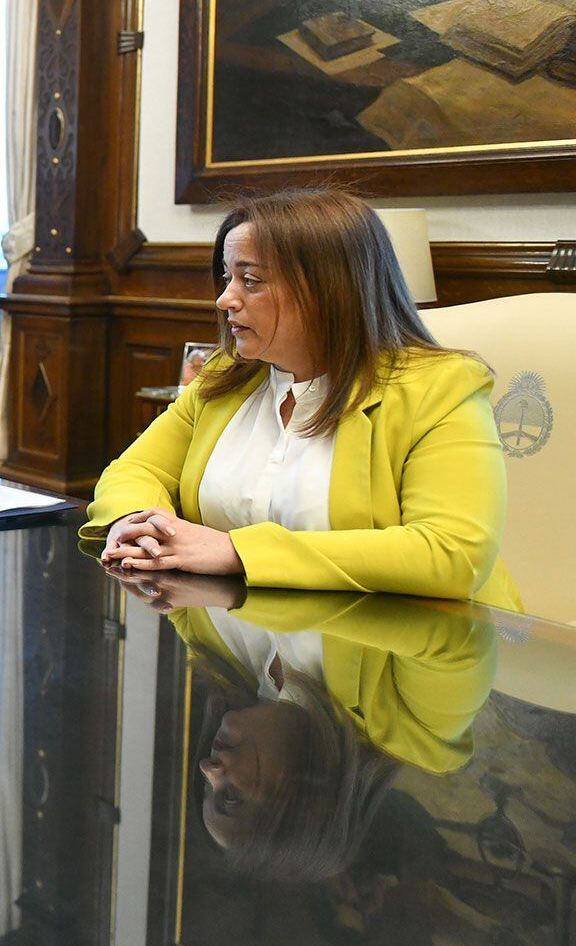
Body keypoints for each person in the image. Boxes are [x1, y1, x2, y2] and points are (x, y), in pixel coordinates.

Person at [82, 188, 517, 609]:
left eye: (249, 281)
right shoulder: (224, 378)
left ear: (328, 290)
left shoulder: (442, 388)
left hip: (407, 653)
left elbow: (451, 554)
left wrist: (236, 552)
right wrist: (137, 522)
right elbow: (134, 469)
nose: (224, 299)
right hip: (238, 648)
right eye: (226, 277)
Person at [107, 564, 496, 882]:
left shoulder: (216, 655)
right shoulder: (418, 730)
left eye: (208, 791)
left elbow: (135, 505)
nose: (208, 770)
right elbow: (456, 625)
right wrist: (240, 571)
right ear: (302, 803)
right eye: (230, 796)